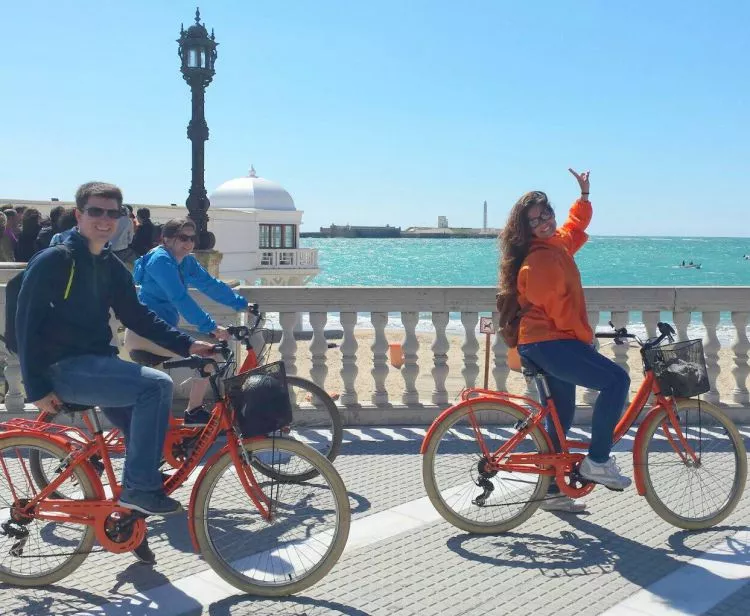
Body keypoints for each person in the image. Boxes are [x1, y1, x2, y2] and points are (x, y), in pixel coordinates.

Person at [16, 182, 216, 523]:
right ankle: (138, 490)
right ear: (79, 215)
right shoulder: (55, 260)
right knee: (156, 386)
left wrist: (187, 343)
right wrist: (36, 388)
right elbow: (25, 321)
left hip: (97, 363)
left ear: (123, 219)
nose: (105, 219)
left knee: (146, 442)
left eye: (114, 213)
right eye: (96, 211)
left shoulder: (109, 264)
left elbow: (137, 316)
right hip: (63, 368)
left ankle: (127, 519)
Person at [498, 169, 631, 513]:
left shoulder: (556, 244)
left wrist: (584, 196)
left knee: (561, 413)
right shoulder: (539, 261)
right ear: (524, 229)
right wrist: (586, 340)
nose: (543, 222)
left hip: (546, 342)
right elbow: (562, 313)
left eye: (546, 214)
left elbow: (576, 226)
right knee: (617, 380)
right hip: (548, 342)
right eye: (534, 220)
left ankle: (552, 490)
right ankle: (598, 460)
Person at [125, 218, 249, 426]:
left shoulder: (185, 261)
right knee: (212, 353)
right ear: (166, 239)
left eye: (192, 238)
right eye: (183, 238)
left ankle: (192, 412)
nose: (189, 243)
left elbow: (210, 285)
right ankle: (193, 412)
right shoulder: (160, 260)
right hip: (145, 334)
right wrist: (210, 327)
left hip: (165, 332)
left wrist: (241, 304)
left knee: (212, 354)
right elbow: (179, 298)